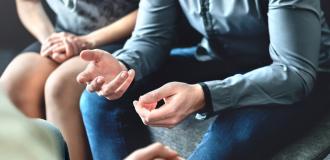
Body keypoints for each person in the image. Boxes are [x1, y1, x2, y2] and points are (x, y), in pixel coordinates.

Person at [77, 0, 330, 160]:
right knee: (97, 100)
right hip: (219, 57)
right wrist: (123, 65)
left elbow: (294, 71)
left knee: (227, 136)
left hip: (299, 71)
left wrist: (204, 95)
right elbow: (152, 38)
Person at [0, 0, 139, 159]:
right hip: (62, 34)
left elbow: (152, 8)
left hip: (125, 37)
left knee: (61, 85)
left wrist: (86, 41)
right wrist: (51, 41)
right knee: (13, 85)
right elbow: (27, 3)